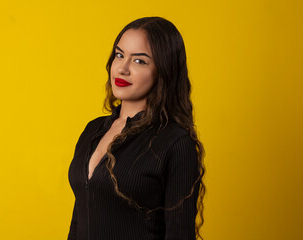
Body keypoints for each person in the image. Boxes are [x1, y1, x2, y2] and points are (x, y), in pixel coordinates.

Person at [67, 16, 205, 240]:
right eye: (120, 55)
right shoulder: (93, 131)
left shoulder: (175, 143)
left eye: (139, 61)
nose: (122, 68)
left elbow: (180, 235)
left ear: (163, 71)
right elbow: (79, 221)